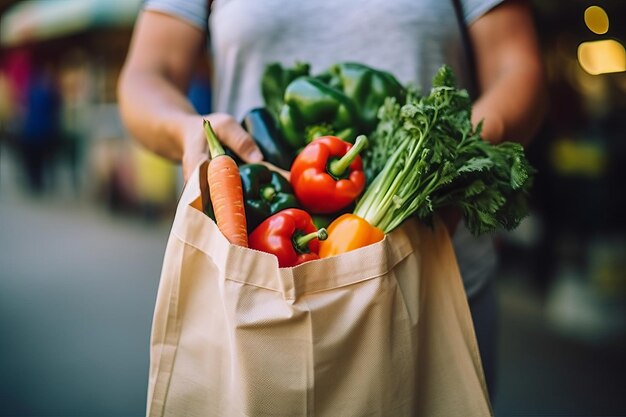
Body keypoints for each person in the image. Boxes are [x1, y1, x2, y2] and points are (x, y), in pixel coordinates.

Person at [117, 0, 546, 398]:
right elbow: (145, 75)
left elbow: (518, 65)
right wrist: (183, 128)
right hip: (258, 281)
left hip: (434, 269)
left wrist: (454, 153)